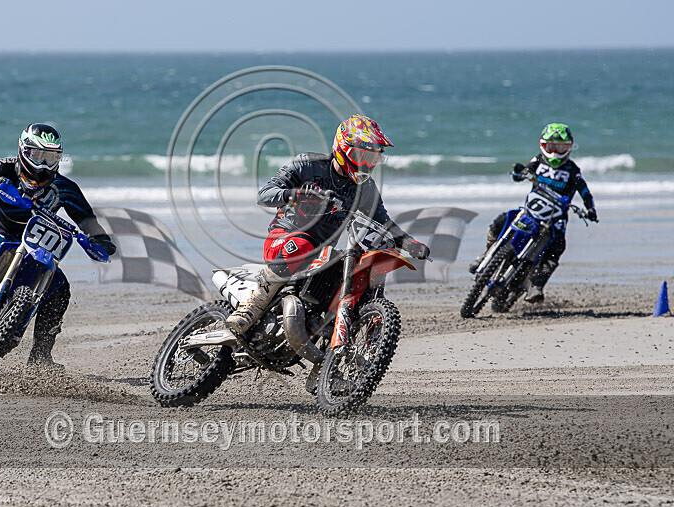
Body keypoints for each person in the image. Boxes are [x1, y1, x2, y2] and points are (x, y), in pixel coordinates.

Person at [224, 114, 430, 386]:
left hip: (323, 253)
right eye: (361, 155)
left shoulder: (365, 188)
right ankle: (250, 308)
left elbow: (383, 221)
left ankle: (325, 369)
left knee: (358, 280)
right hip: (285, 238)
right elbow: (265, 194)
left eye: (373, 158)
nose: (367, 163)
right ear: (343, 148)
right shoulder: (308, 165)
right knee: (302, 243)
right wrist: (296, 194)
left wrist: (409, 242)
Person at [0, 123, 116, 368]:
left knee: (60, 290)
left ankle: (41, 356)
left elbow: (86, 219)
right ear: (23, 151)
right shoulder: (4, 168)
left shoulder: (65, 188)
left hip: (38, 247)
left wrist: (100, 239)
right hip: (4, 235)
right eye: (37, 156)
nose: (43, 163)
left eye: (50, 157)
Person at [468, 123, 598, 303]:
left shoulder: (572, 170)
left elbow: (585, 191)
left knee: (557, 247)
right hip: (531, 210)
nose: (555, 152)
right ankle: (486, 254)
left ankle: (536, 285)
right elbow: (523, 172)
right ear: (543, 145)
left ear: (569, 147)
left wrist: (590, 209)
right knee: (500, 222)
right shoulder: (538, 161)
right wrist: (519, 173)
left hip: (555, 218)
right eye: (551, 146)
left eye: (561, 147)